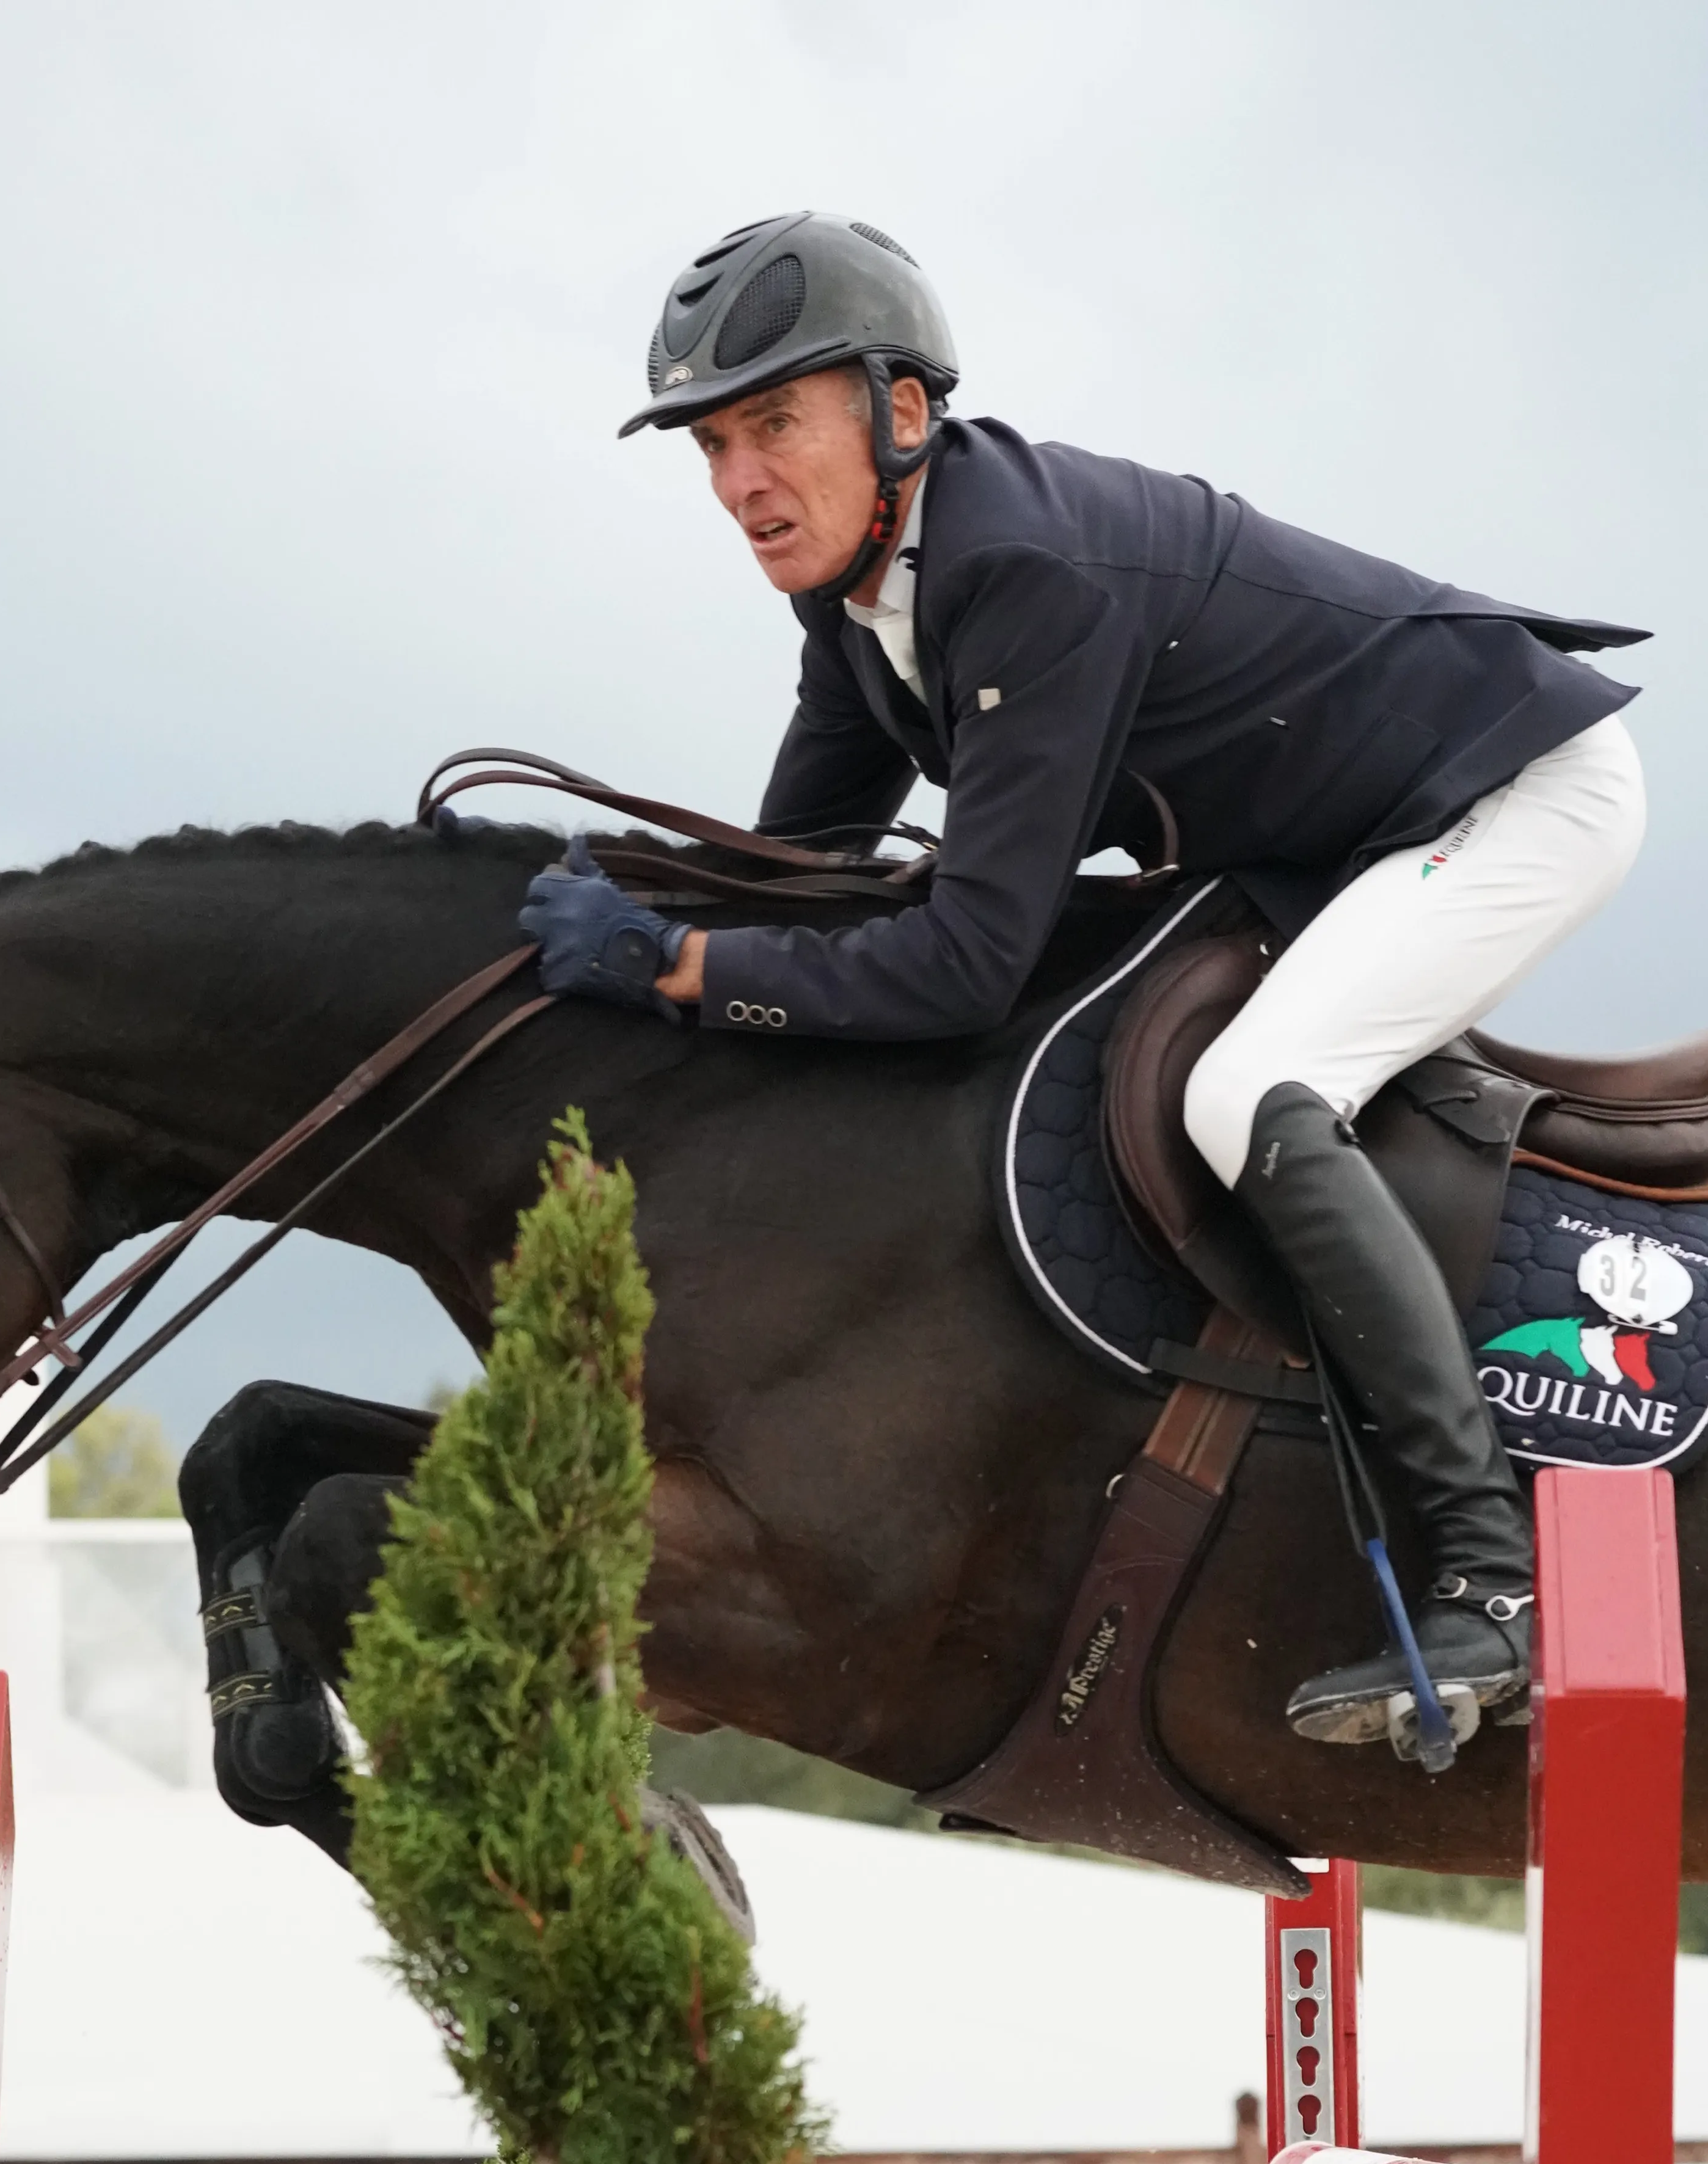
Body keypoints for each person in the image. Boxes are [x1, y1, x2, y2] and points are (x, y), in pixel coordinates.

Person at [517, 211, 1649, 1751]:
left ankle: (1490, 1584)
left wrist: (681, 969)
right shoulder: (855, 596)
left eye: (772, 423)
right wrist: (622, 923)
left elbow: (966, 963)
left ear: (900, 411)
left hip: (1514, 800)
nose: (737, 483)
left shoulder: (1022, 571)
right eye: (710, 443)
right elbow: (807, 864)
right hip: (1320, 838)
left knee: (1253, 1087)